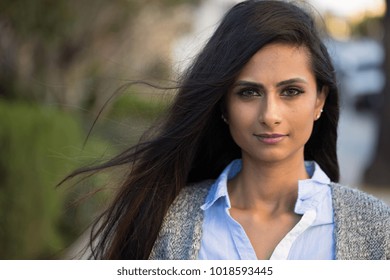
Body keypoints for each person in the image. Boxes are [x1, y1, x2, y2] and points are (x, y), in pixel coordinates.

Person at [66, 0, 390, 260]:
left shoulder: (379, 229)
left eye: (291, 91)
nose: (270, 115)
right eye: (248, 92)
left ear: (320, 100)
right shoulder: (167, 218)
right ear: (223, 105)